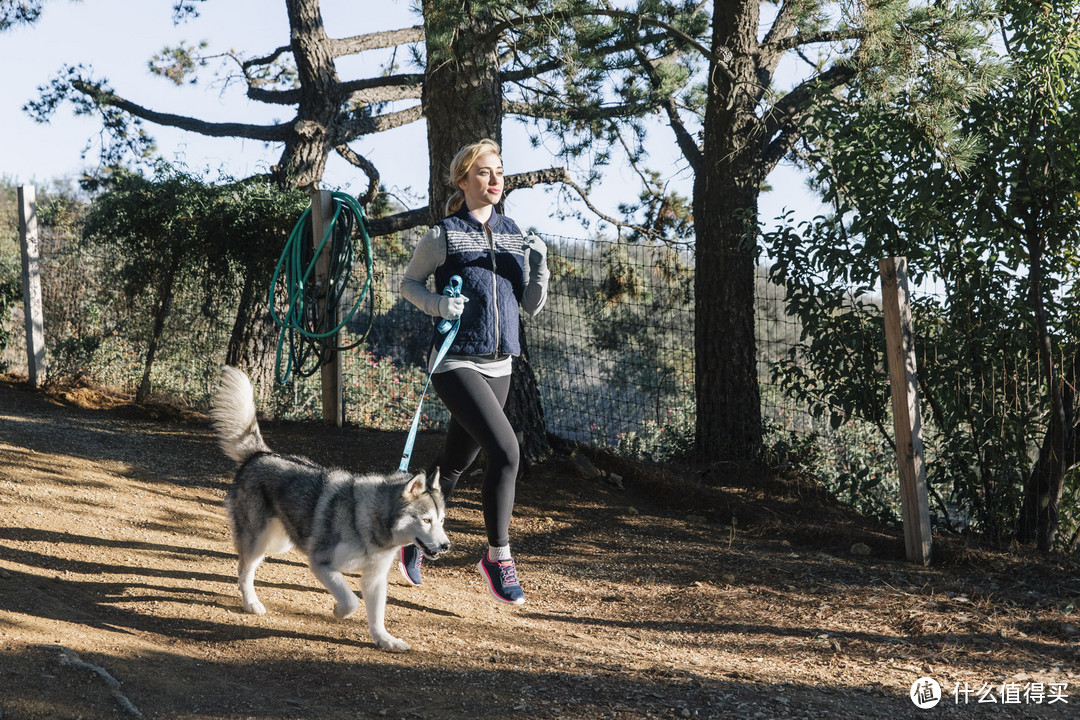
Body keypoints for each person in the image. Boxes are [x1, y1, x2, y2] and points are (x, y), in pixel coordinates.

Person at [398, 138, 550, 605]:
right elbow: (408, 284)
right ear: (463, 180)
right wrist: (438, 304)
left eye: (499, 171)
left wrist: (540, 269)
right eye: (484, 172)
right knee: (506, 451)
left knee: (457, 461)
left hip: (500, 363)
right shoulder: (443, 234)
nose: (495, 179)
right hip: (455, 359)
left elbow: (530, 305)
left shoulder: (513, 233)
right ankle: (497, 557)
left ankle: (409, 535)